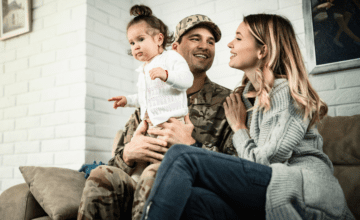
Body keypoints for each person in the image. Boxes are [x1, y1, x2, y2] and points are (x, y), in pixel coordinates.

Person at [140, 14, 355, 220]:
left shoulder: (284, 92)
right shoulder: (243, 98)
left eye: (238, 38)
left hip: (305, 192)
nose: (229, 44)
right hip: (266, 193)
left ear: (262, 50)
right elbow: (243, 170)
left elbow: (265, 163)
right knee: (194, 199)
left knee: (181, 155)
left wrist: (238, 128)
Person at [77, 12, 237, 220]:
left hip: (188, 192)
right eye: (195, 39)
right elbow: (114, 163)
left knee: (157, 175)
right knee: (102, 175)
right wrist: (129, 154)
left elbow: (238, 173)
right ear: (175, 48)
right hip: (137, 185)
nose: (205, 46)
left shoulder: (228, 101)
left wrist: (192, 148)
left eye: (211, 41)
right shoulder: (150, 97)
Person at [107, 5, 194, 182]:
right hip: (150, 124)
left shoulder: (171, 58)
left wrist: (167, 75)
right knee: (141, 163)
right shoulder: (144, 69)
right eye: (131, 43)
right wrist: (127, 100)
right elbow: (144, 98)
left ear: (159, 39)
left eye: (140, 39)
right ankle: (136, 182)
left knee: (161, 159)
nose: (135, 46)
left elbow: (187, 80)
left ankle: (158, 179)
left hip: (171, 124)